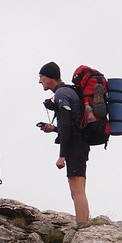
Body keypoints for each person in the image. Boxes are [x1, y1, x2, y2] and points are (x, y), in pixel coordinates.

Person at [38, 62, 90, 227]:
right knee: (78, 186)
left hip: (75, 145)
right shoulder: (69, 91)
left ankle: (82, 226)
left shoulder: (61, 93)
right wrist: (53, 128)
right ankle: (84, 223)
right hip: (80, 143)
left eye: (41, 77)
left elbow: (67, 126)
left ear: (50, 77)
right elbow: (70, 124)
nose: (40, 81)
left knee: (76, 188)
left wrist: (62, 156)